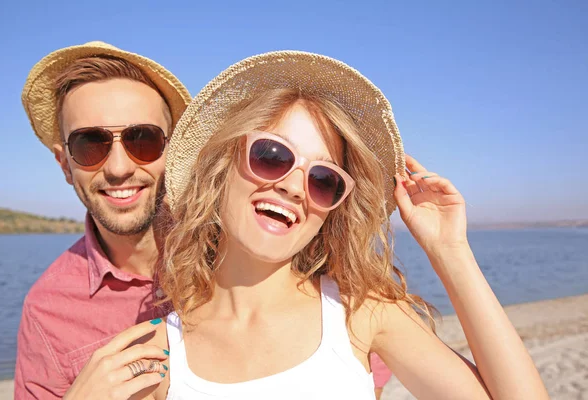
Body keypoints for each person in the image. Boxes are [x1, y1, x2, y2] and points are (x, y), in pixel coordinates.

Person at [142, 51, 548, 399]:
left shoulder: (358, 313)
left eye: (323, 179)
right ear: (220, 171)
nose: (296, 188)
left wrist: (450, 251)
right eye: (272, 156)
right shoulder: (163, 353)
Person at [15, 41, 191, 399]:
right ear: (64, 164)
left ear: (171, 151)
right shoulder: (46, 310)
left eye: (142, 139)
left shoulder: (235, 254)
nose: (118, 168)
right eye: (90, 144)